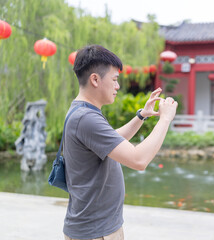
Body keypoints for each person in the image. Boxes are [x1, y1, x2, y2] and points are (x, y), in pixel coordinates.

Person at [62, 44, 177, 240]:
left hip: (98, 228)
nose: (117, 86)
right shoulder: (86, 118)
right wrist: (165, 119)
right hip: (95, 232)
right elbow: (138, 160)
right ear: (95, 79)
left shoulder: (82, 112)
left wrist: (141, 116)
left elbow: (111, 140)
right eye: (114, 80)